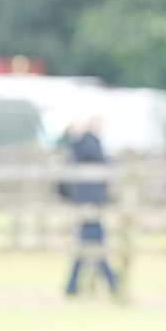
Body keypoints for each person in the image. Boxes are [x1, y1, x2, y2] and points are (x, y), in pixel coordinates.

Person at [64, 116, 119, 297]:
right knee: (95, 240)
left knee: (89, 241)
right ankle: (111, 280)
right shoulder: (88, 142)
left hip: (87, 199)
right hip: (91, 200)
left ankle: (73, 285)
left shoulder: (81, 143)